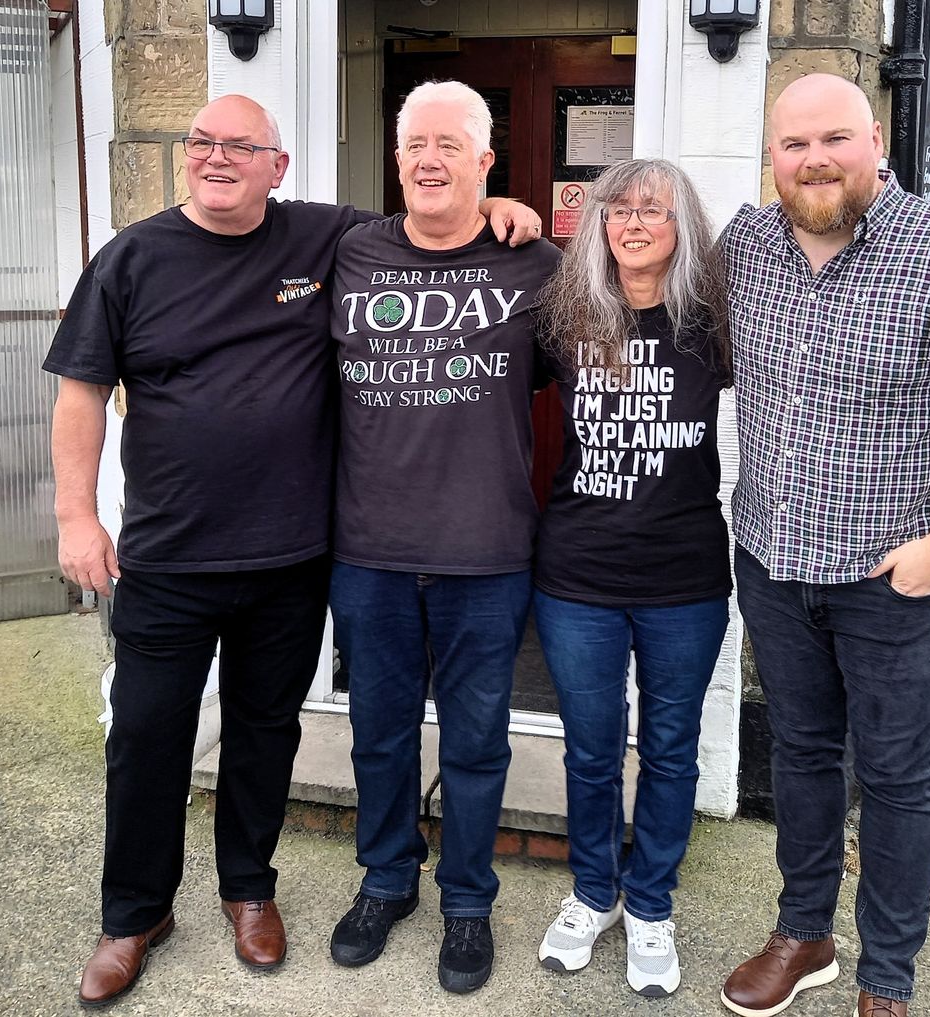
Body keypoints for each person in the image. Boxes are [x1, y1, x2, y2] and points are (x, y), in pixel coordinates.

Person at [43, 93, 539, 1009]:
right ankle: (134, 914)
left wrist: (498, 208)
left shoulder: (328, 240)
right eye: (202, 142)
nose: (216, 157)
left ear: (279, 167)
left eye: (242, 146)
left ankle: (247, 891)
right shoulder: (131, 258)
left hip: (289, 557)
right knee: (148, 736)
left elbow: (439, 215)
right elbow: (81, 391)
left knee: (265, 733)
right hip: (169, 554)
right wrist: (78, 517)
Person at [717, 75, 930, 1017]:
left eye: (834, 138)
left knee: (901, 776)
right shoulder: (748, 246)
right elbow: (641, 267)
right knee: (802, 753)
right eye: (793, 145)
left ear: (876, 138)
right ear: (772, 158)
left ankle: (888, 977)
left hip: (893, 579)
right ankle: (805, 932)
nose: (814, 159)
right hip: (776, 562)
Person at [325, 80, 560, 995]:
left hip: (486, 552)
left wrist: (514, 215)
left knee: (475, 740)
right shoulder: (348, 251)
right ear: (396, 159)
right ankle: (387, 880)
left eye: (450, 147)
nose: (429, 161)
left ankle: (467, 901)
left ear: (485, 161)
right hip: (369, 548)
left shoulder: (535, 266)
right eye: (415, 145)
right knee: (378, 734)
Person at [530, 159, 732, 997]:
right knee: (590, 747)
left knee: (672, 747)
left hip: (684, 576)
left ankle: (650, 900)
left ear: (684, 226)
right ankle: (593, 892)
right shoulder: (565, 313)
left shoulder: (714, 321)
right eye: (619, 209)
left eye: (655, 210)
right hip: (576, 571)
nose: (634, 223)